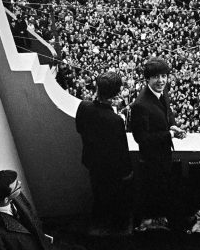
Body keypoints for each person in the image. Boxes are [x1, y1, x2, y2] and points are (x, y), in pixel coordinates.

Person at [129, 57, 187, 231]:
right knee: (153, 194)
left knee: (163, 191)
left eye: (164, 76)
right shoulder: (140, 104)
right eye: (156, 77)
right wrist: (169, 134)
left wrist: (173, 125)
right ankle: (152, 227)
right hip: (151, 160)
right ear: (147, 79)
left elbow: (167, 112)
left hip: (164, 156)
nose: (161, 81)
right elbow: (141, 138)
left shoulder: (162, 91)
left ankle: (160, 221)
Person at [75, 71, 133, 235]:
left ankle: (99, 225)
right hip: (112, 171)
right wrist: (127, 172)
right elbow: (121, 150)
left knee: (98, 196)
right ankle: (116, 228)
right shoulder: (115, 121)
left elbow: (79, 128)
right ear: (116, 93)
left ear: (97, 87)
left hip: (92, 163)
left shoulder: (84, 106)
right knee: (115, 200)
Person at [0, 170, 53, 250]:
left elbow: (31, 215)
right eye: (17, 186)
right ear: (6, 199)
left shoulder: (13, 194)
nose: (20, 183)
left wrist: (41, 236)